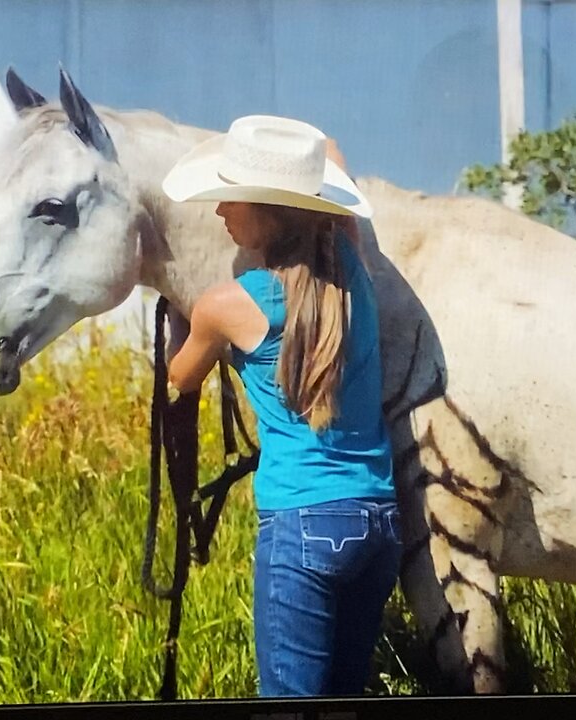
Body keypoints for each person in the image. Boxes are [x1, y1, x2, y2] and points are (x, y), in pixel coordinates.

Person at [160, 115, 400, 697]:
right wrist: (301, 171)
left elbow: (179, 378)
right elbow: (335, 150)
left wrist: (182, 316)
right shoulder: (351, 264)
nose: (220, 211)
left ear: (269, 211)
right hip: (380, 521)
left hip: (302, 522)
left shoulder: (225, 306)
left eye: (233, 199)